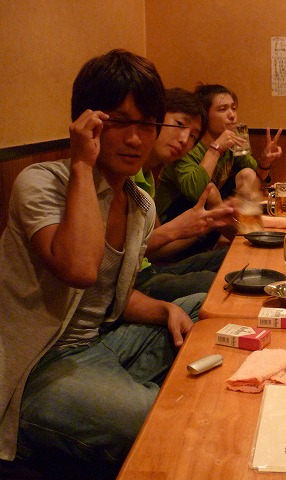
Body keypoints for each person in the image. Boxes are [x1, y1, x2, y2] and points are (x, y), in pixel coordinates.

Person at [0, 50, 197, 478]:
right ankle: (109, 408)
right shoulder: (41, 183)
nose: (135, 139)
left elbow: (109, 297)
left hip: (101, 344)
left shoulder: (139, 204)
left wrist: (165, 309)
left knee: (203, 306)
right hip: (38, 367)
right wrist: (82, 163)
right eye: (119, 121)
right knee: (167, 421)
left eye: (146, 124)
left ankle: (119, 396)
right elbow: (81, 270)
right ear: (85, 122)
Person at [132, 88, 235, 302]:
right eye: (180, 124)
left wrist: (206, 224)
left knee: (233, 257)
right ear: (154, 118)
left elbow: (156, 250)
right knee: (221, 284)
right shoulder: (126, 176)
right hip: (131, 284)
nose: (184, 139)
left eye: (193, 136)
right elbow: (113, 255)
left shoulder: (147, 176)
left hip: (150, 269)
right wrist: (178, 228)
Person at [155, 84, 282, 222]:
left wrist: (265, 161)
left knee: (248, 174)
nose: (232, 115)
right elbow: (194, 192)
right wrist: (216, 148)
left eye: (233, 108)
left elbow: (258, 177)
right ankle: (235, 229)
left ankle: (243, 226)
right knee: (211, 191)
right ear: (204, 115)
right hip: (172, 218)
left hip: (209, 215)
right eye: (223, 109)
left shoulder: (231, 143)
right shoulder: (187, 146)